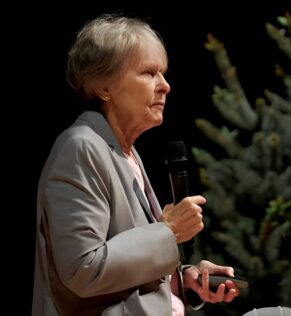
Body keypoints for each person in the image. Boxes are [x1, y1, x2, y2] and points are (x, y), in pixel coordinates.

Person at [32, 14, 240, 316]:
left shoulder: (124, 152)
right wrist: (167, 232)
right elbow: (83, 269)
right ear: (105, 87)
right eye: (148, 73)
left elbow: (125, 274)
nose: (165, 86)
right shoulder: (79, 148)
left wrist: (184, 281)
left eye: (163, 74)